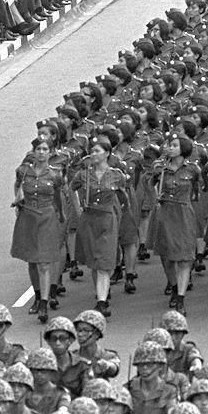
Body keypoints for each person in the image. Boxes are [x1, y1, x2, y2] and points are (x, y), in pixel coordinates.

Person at [69, 135, 127, 317]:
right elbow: (70, 189)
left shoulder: (117, 175)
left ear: (107, 153)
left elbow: (124, 196)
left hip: (107, 220)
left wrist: (119, 214)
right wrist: (78, 210)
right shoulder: (83, 174)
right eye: (91, 151)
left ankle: (101, 303)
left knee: (104, 263)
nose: (93, 154)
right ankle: (101, 294)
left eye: (97, 151)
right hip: (89, 219)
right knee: (94, 262)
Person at [10, 137, 64, 323]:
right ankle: (38, 293)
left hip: (47, 217)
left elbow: (58, 196)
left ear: (51, 152)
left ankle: (43, 303)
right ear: (33, 151)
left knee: (43, 262)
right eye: (38, 149)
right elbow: (17, 185)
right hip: (28, 217)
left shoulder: (56, 174)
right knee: (32, 261)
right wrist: (18, 199)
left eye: (45, 149)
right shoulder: (23, 171)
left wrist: (61, 215)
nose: (41, 152)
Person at [149, 132, 201, 315]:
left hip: (184, 213)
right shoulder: (159, 168)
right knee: (167, 256)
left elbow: (197, 190)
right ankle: (173, 284)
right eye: (169, 145)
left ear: (183, 149)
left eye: (175, 145)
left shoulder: (193, 170)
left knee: (185, 258)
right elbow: (151, 185)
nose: (170, 148)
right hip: (165, 213)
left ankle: (180, 298)